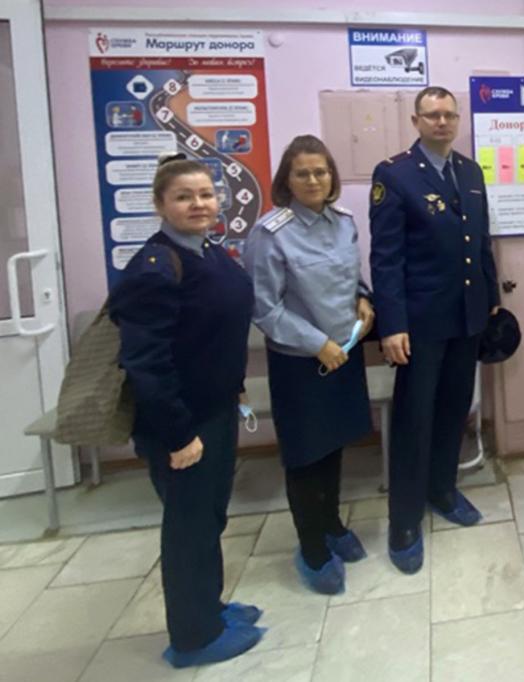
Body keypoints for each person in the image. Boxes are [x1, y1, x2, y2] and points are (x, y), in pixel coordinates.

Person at [109, 153, 263, 667]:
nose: (198, 204)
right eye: (183, 197)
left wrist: (233, 388)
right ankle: (193, 639)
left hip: (214, 411)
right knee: (188, 528)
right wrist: (177, 435)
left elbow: (212, 335)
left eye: (205, 195)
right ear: (160, 205)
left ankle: (209, 609)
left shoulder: (208, 251)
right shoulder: (155, 268)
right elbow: (146, 363)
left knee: (209, 518)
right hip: (180, 425)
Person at [369, 86, 500, 574]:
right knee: (413, 419)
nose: (441, 122)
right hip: (419, 325)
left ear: (457, 119)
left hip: (466, 316)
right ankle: (404, 520)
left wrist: (490, 299)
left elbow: (480, 242)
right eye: (432, 115)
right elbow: (386, 258)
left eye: (448, 114)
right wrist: (392, 324)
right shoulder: (394, 174)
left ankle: (442, 490)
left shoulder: (470, 171)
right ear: (416, 121)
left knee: (453, 411)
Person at [244, 135, 374, 594]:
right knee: (305, 456)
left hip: (345, 354)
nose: (314, 180)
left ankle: (332, 524)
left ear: (331, 176)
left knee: (334, 445)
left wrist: (364, 298)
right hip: (301, 363)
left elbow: (351, 276)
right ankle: (312, 547)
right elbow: (265, 308)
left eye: (321, 171)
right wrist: (318, 344)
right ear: (287, 179)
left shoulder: (343, 223)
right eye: (303, 173)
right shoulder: (270, 234)